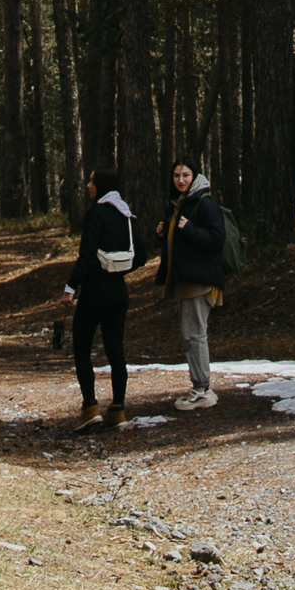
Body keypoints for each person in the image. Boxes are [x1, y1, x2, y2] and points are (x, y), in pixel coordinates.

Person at [61, 166, 144, 424]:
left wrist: (70, 289)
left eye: (92, 181)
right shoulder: (127, 215)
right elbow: (140, 256)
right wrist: (117, 266)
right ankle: (118, 409)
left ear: (103, 185)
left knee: (82, 348)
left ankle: (90, 408)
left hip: (94, 292)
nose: (88, 185)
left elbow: (85, 257)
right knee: (115, 351)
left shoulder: (95, 215)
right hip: (119, 292)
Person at [159, 158, 227, 411]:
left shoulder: (204, 203)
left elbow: (217, 238)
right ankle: (199, 387)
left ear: (195, 176)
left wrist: (189, 229)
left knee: (195, 334)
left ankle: (203, 389)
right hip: (186, 280)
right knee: (190, 334)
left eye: (185, 175)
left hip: (201, 281)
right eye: (176, 175)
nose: (180, 180)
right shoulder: (179, 204)